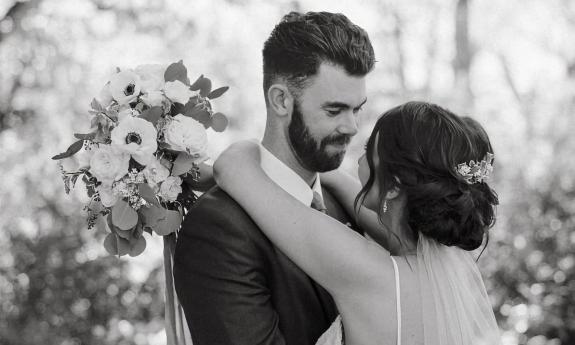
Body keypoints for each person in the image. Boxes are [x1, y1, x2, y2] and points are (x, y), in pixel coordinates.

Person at [214, 101, 501, 345]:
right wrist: (314, 169)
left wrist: (257, 146)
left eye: (368, 150)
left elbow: (232, 169)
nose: (360, 159)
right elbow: (374, 207)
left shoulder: (367, 271)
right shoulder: (451, 261)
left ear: (394, 187)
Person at [173, 11, 375, 345]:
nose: (352, 127)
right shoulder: (217, 229)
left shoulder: (348, 203)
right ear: (281, 100)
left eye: (357, 109)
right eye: (334, 110)